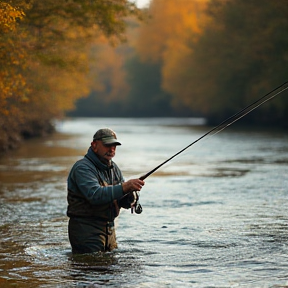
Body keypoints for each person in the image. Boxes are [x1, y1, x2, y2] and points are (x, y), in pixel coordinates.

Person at [67, 128, 145, 254]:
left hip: (109, 230)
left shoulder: (114, 169)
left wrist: (130, 196)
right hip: (86, 230)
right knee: (91, 270)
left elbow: (122, 202)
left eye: (114, 146)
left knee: (109, 269)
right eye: (107, 145)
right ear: (94, 145)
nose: (111, 149)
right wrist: (125, 187)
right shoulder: (82, 168)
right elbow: (95, 195)